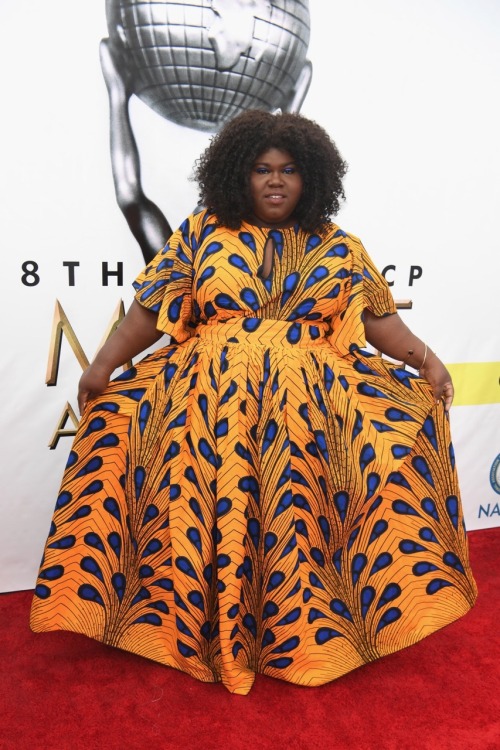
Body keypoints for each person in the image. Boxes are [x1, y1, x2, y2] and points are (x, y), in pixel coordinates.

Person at [31, 110, 477, 695]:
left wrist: (426, 359)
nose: (275, 181)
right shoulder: (201, 234)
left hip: (306, 412)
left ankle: (299, 636)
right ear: (238, 174)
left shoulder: (340, 247)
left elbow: (377, 321)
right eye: (262, 169)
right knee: (206, 513)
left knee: (294, 524)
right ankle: (198, 630)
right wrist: (101, 366)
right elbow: (147, 312)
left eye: (289, 169)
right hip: (210, 406)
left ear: (311, 177)